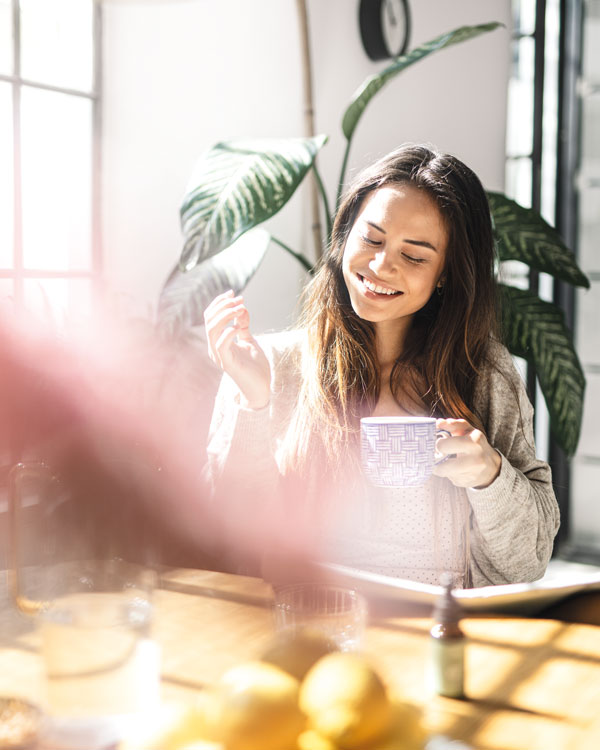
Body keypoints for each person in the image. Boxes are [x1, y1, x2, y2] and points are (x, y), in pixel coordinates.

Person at [204, 144, 560, 588]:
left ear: (446, 272)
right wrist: (254, 403)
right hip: (308, 625)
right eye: (371, 238)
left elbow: (527, 563)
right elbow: (231, 542)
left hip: (436, 633)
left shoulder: (483, 372)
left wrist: (490, 475)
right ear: (344, 236)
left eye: (414, 257)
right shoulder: (272, 365)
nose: (379, 265)